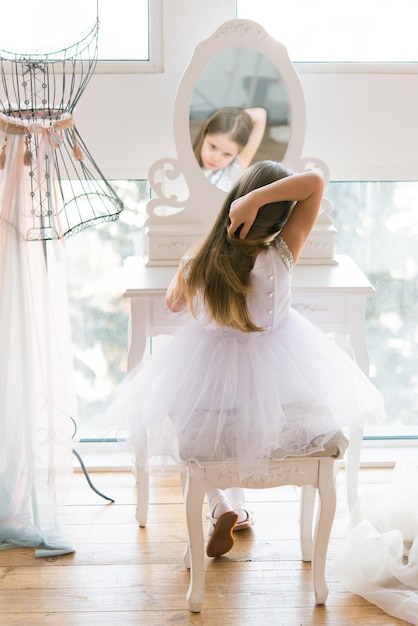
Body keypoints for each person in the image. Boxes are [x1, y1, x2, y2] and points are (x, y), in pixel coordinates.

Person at [105, 160, 385, 558]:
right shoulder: (283, 254)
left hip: (210, 386)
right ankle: (236, 507)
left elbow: (172, 302)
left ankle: (222, 504)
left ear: (234, 201)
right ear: (279, 215)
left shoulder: (199, 262)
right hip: (276, 387)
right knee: (247, 428)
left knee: (206, 432)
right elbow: (314, 183)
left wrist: (199, 253)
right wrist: (253, 201)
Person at [192, 106, 267, 191]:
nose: (216, 159)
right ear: (204, 135)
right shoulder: (186, 163)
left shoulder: (233, 171)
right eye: (213, 146)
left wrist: (237, 119)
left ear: (237, 153)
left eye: (227, 154)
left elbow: (260, 114)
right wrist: (229, 118)